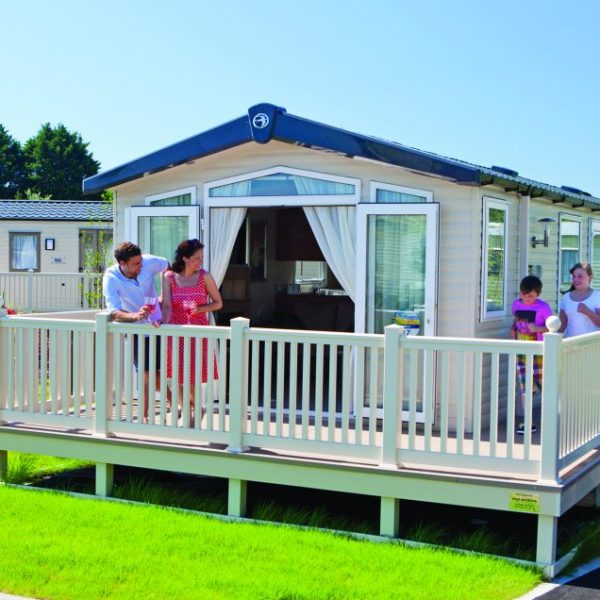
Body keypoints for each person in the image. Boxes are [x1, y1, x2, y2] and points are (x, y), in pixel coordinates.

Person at [102, 241, 170, 422]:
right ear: (122, 263)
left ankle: (173, 406)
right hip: (136, 330)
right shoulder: (111, 278)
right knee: (147, 373)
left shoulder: (148, 261)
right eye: (136, 264)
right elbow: (114, 312)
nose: (141, 265)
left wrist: (165, 295)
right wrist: (135, 316)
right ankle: (150, 415)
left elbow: (167, 267)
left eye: (140, 261)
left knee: (154, 372)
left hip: (158, 323)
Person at [161, 239, 223, 425]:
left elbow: (218, 303)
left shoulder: (205, 277)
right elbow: (166, 305)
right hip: (176, 330)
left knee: (193, 376)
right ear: (185, 258)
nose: (201, 261)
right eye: (197, 258)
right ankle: (187, 410)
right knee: (177, 375)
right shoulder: (169, 277)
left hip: (197, 330)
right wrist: (162, 322)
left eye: (202, 257)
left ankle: (198, 407)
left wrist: (199, 309)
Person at [510, 275, 553, 435]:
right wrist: (513, 332)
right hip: (522, 353)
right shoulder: (516, 305)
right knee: (525, 388)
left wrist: (539, 328)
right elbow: (515, 322)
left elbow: (553, 328)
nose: (527, 298)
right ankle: (528, 423)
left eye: (531, 296)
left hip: (540, 353)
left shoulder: (543, 307)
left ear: (537, 294)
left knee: (545, 387)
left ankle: (551, 421)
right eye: (524, 295)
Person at [559, 262, 600, 338]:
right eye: (574, 276)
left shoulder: (597, 296)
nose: (575, 279)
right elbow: (562, 324)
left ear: (590, 277)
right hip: (571, 343)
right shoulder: (566, 298)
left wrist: (587, 312)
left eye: (580, 276)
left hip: (592, 343)